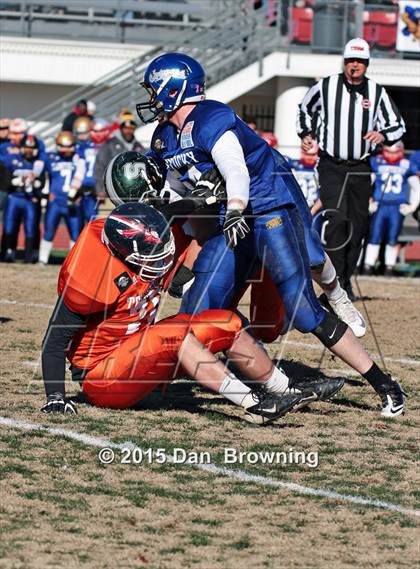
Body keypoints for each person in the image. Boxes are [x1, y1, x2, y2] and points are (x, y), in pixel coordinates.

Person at [134, 51, 406, 417]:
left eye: (155, 89)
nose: (151, 98)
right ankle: (276, 386)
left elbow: (235, 169)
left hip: (266, 205)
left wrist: (232, 208)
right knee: (200, 308)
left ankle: (385, 384)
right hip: (232, 217)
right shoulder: (165, 136)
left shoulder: (210, 117)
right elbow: (177, 188)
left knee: (302, 304)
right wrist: (160, 203)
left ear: (173, 87)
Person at [40, 201, 331, 423]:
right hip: (102, 376)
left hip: (138, 353)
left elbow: (184, 273)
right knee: (176, 336)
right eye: (152, 255)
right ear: (124, 254)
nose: (163, 258)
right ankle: (254, 404)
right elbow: (53, 341)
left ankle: (284, 389)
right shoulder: (94, 274)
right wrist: (55, 396)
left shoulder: (146, 251)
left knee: (227, 322)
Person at [297, 38, 406, 300]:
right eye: (350, 61)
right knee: (337, 220)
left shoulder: (377, 92)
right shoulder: (326, 85)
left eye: (359, 61)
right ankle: (332, 287)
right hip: (332, 164)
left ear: (366, 64)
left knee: (358, 226)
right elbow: (304, 108)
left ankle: (344, 282)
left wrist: (382, 135)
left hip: (360, 166)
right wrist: (305, 133)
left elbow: (398, 125)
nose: (354, 66)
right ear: (344, 62)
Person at [364, 142, 420, 275]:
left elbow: (416, 187)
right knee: (374, 236)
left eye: (395, 152)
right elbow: (365, 183)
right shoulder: (376, 161)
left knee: (392, 238)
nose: (392, 155)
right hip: (379, 204)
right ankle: (367, 266)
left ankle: (389, 267)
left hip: (396, 206)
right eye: (389, 152)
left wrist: (412, 206)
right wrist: (368, 200)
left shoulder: (406, 165)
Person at [38, 132, 85, 265]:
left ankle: (73, 263)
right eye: (64, 147)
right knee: (49, 230)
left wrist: (74, 193)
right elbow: (46, 176)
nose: (67, 150)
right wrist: (46, 193)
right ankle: (42, 260)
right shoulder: (51, 157)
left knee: (75, 234)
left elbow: (80, 177)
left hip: (72, 202)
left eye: (70, 146)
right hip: (56, 202)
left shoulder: (78, 157)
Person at [1, 135, 45, 263]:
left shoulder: (38, 163)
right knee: (9, 225)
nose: (28, 151)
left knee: (31, 226)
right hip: (14, 196)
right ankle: (8, 252)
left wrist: (35, 183)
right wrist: (20, 180)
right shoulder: (12, 160)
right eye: (26, 147)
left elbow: (42, 182)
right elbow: (6, 180)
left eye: (31, 148)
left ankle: (29, 256)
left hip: (30, 199)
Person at [94, 111, 144, 198]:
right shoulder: (109, 145)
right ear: (121, 128)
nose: (128, 131)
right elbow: (99, 167)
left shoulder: (139, 147)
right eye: (126, 128)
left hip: (132, 193)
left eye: (131, 128)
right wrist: (100, 188)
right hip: (110, 192)